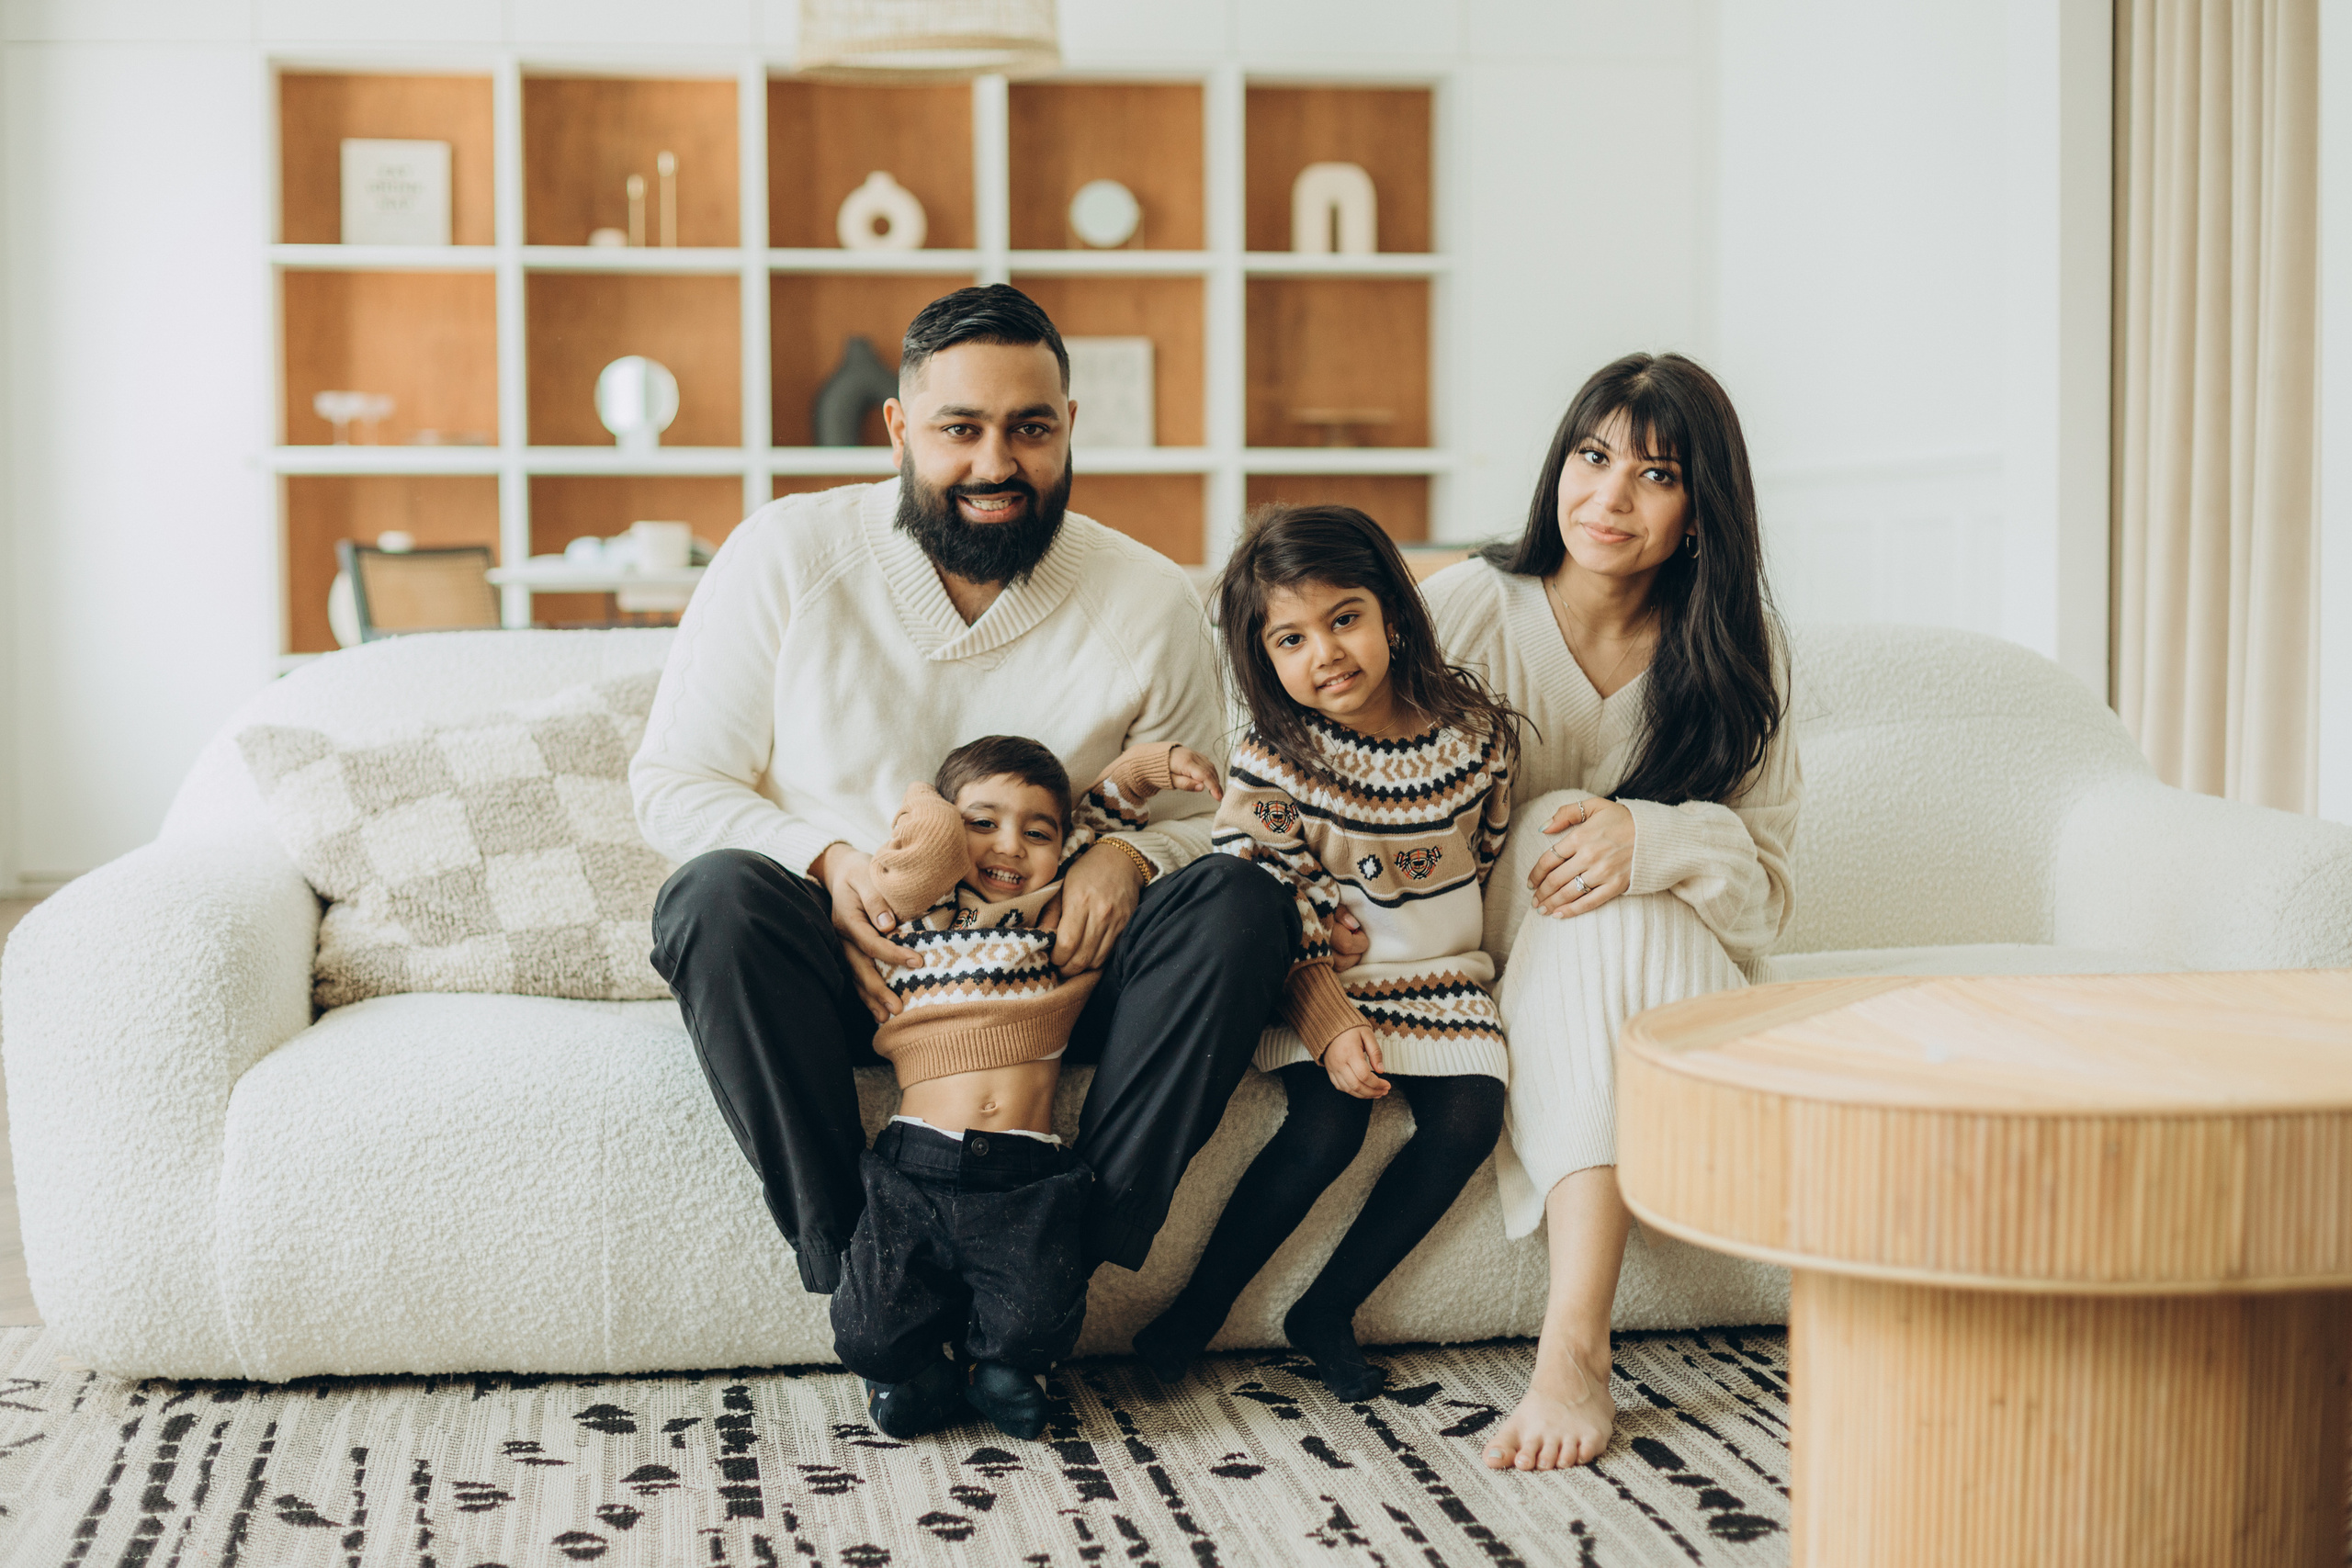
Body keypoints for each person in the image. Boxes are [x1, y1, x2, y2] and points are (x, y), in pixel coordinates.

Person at [633, 285, 1298, 1432]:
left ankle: (1057, 1269)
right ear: (898, 429)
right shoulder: (787, 555)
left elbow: (1216, 812)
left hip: (1059, 980)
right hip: (859, 977)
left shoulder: (1143, 597)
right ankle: (866, 1274)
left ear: (1069, 424)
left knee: (1239, 906)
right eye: (960, 429)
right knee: (712, 898)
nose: (997, 461)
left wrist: (1129, 862)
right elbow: (674, 785)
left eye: (1029, 428)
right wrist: (828, 862)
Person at [1420, 353, 1798, 1471]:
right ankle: (1576, 1349)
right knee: (1564, 831)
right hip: (1504, 948)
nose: (1608, 497)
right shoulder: (1464, 611)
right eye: (1591, 458)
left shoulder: (1735, 651)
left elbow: (1764, 901)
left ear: (1700, 510)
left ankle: (1573, 1351)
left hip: (1682, 975)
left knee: (1605, 853)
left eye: (1655, 473)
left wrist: (1662, 838)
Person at [1131, 504, 1521, 1402]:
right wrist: (1329, 1008)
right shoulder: (1277, 760)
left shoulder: (1475, 737)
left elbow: (1488, 850)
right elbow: (1254, 884)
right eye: (1291, 639)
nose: (1326, 655)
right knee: (1325, 1126)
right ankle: (1195, 1311)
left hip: (1445, 981)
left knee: (1469, 1116)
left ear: (1390, 610)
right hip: (1320, 979)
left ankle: (1327, 1310)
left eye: (1343, 619)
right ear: (1262, 658)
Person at [831, 735, 1219, 1439]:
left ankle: (1003, 1369)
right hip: (911, 1165)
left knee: (1038, 1319)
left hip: (1026, 1171)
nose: (1009, 846)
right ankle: (914, 1372)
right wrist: (938, 808)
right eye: (981, 823)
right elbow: (916, 848)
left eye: (1035, 831)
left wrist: (1151, 768)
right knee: (865, 1331)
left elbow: (1107, 810)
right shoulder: (921, 904)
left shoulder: (1058, 897)